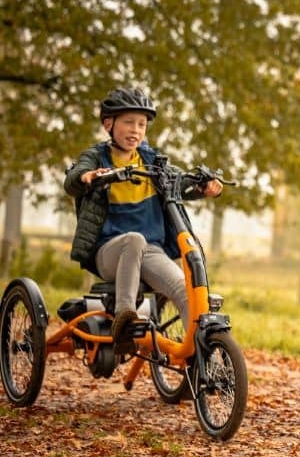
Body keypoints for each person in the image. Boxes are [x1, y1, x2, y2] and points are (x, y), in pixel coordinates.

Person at [64, 87, 222, 353]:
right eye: (128, 122)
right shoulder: (97, 157)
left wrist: (202, 187)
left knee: (186, 292)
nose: (135, 130)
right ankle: (125, 319)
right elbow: (74, 178)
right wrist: (87, 177)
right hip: (109, 252)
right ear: (108, 124)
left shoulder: (151, 161)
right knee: (133, 240)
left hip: (150, 251)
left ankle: (203, 363)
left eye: (141, 124)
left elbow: (178, 182)